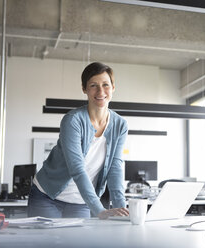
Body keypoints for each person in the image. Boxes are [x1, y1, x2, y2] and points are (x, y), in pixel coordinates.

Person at [27, 62, 129, 219]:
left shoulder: (120, 124)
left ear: (113, 88)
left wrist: (121, 209)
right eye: (93, 85)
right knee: (47, 243)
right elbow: (77, 168)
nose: (101, 91)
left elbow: (115, 167)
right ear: (84, 89)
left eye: (105, 85)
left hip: (81, 201)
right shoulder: (73, 120)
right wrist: (99, 210)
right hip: (47, 196)